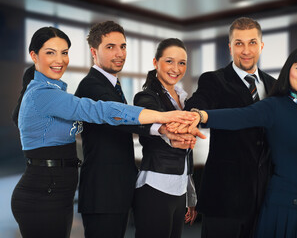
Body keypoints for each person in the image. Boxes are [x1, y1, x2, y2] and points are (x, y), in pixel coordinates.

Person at [10, 26, 195, 238]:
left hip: (61, 189)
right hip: (55, 190)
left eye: (64, 52)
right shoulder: (69, 90)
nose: (59, 59)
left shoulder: (58, 90)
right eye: (50, 52)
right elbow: (103, 111)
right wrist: (162, 119)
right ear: (93, 52)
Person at [178, 46, 297, 238]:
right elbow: (238, 117)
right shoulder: (274, 106)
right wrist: (201, 115)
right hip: (285, 212)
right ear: (289, 71)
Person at [74, 21, 196, 238]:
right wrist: (162, 129)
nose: (119, 53)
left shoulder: (113, 85)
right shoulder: (91, 86)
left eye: (123, 46)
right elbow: (119, 116)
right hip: (102, 191)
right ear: (94, 52)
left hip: (118, 189)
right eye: (110, 47)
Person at [184, 17, 276, 237]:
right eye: (239, 43)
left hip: (266, 198)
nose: (246, 50)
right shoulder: (215, 81)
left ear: (261, 45)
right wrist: (196, 114)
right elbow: (196, 105)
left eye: (252, 42)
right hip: (225, 198)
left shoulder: (274, 86)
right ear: (230, 47)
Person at [132, 38, 204, 238]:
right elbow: (150, 120)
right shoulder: (146, 97)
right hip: (155, 188)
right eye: (169, 61)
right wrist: (169, 130)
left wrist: (190, 196)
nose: (176, 68)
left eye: (182, 63)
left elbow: (185, 153)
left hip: (179, 190)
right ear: (156, 63)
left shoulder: (184, 99)